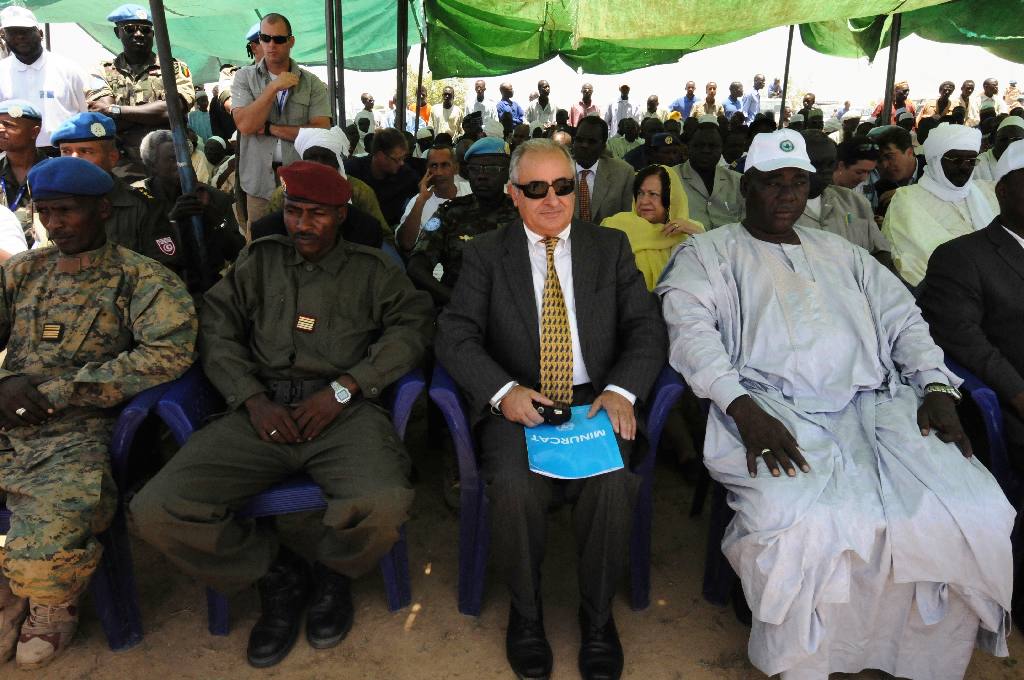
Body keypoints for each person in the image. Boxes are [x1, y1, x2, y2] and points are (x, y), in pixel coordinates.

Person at [658, 126, 1014, 679]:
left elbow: (904, 321)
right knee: (808, 521)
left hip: (877, 404)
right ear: (746, 186)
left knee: (970, 505)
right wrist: (743, 409)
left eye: (798, 183)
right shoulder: (706, 255)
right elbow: (692, 338)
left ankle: (913, 656)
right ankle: (811, 661)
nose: (787, 195)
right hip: (769, 413)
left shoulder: (842, 252)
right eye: (772, 183)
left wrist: (937, 387)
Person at [131, 160, 432, 668]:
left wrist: (346, 388)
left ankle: (334, 573)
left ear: (342, 215)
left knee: (384, 502)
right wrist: (250, 397)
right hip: (261, 410)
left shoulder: (373, 270)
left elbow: (413, 327)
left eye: (317, 214)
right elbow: (217, 328)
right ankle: (276, 573)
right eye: (294, 211)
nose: (302, 224)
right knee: (157, 509)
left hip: (342, 413)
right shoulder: (259, 261)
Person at [436, 138, 666, 680]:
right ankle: (526, 613)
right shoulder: (487, 253)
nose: (551, 199)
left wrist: (623, 391)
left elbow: (646, 328)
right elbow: (455, 335)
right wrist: (503, 392)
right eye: (536, 188)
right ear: (514, 194)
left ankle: (597, 618)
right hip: (521, 401)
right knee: (515, 488)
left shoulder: (608, 246)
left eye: (562, 186)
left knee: (612, 483)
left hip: (595, 400)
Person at [0, 156, 196, 669]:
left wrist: (66, 391)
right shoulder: (22, 272)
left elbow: (168, 353)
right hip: (7, 414)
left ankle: (49, 600)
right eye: (45, 212)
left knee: (62, 507)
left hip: (78, 425)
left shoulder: (139, 278)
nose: (55, 224)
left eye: (67, 211)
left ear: (103, 209)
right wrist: (4, 383)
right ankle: (9, 590)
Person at [50, 111, 191, 277]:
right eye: (66, 151)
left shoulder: (144, 208)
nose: (74, 160)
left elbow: (164, 274)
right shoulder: (50, 206)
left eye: (86, 151)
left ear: (112, 157)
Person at [230, 13, 330, 237]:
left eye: (278, 39)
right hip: (258, 181)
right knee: (259, 244)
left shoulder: (311, 82)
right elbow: (245, 125)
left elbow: (321, 132)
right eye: (265, 38)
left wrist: (270, 129)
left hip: (300, 179)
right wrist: (273, 88)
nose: (271, 45)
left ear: (291, 41)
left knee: (299, 241)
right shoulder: (244, 77)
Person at [86, 4, 195, 180]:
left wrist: (116, 110)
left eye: (145, 30)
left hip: (171, 163)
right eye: (130, 29)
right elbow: (105, 120)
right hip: (124, 165)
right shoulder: (102, 71)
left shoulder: (174, 68)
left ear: (153, 33)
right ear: (117, 32)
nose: (138, 34)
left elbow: (172, 110)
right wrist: (154, 116)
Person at [882, 123, 998, 287]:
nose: (965, 167)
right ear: (936, 161)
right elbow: (916, 264)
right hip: (949, 292)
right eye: (956, 160)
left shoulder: (987, 192)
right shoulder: (906, 200)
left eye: (971, 161)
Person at [407, 137, 518, 307]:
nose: (481, 176)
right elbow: (416, 266)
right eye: (474, 169)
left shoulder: (524, 214)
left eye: (491, 169)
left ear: (507, 174)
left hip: (512, 307)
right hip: (460, 307)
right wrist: (455, 299)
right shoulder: (450, 213)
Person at [133, 129, 244, 287]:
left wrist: (214, 218)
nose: (181, 164)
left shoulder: (213, 197)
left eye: (184, 157)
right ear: (153, 166)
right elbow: (147, 259)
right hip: (165, 288)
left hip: (211, 286)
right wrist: (172, 222)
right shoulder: (140, 201)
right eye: (172, 159)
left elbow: (236, 250)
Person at [254, 127, 388, 250]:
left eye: (325, 158)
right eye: (312, 158)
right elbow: (269, 232)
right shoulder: (285, 192)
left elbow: (383, 236)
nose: (319, 165)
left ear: (337, 162)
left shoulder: (359, 191)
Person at [799, 130, 894, 269]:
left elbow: (881, 250)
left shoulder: (855, 202)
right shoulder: (779, 212)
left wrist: (871, 277)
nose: (826, 170)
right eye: (816, 164)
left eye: (830, 163)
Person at [601, 164, 703, 290]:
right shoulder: (617, 226)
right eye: (640, 193)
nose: (644, 201)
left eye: (653, 194)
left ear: (671, 198)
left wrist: (698, 234)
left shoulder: (690, 231)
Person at [0, 6, 86, 149]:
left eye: (26, 31)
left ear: (40, 33)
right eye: (13, 32)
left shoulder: (69, 69)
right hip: (15, 156)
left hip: (62, 153)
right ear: (3, 36)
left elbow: (87, 114)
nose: (20, 37)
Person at [397, 143, 471, 254]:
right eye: (434, 166)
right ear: (427, 169)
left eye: (445, 165)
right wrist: (421, 201)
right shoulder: (418, 201)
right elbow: (406, 244)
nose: (439, 172)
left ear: (456, 168)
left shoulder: (470, 190)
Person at [344, 127, 420, 228]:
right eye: (397, 159)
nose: (402, 163)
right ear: (380, 156)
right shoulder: (352, 170)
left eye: (403, 158)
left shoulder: (407, 176)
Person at [674, 122, 744, 229]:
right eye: (699, 145)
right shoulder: (670, 177)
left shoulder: (738, 182)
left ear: (722, 149)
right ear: (688, 147)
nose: (706, 150)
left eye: (712, 146)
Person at [571, 116, 634, 226]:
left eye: (592, 142)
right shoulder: (558, 170)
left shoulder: (623, 173)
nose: (584, 145)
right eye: (579, 140)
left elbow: (628, 218)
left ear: (603, 146)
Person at [0, 99, 45, 245]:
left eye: (8, 125)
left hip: (45, 254)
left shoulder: (54, 173)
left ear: (34, 132)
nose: (1, 129)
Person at [864, 125, 925, 216]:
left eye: (889, 156)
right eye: (879, 160)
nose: (884, 165)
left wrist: (908, 194)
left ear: (909, 152)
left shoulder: (933, 171)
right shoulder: (882, 188)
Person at [973, 115, 1024, 181]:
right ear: (995, 141)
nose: (1009, 144)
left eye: (1016, 139)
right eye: (1003, 139)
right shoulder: (979, 164)